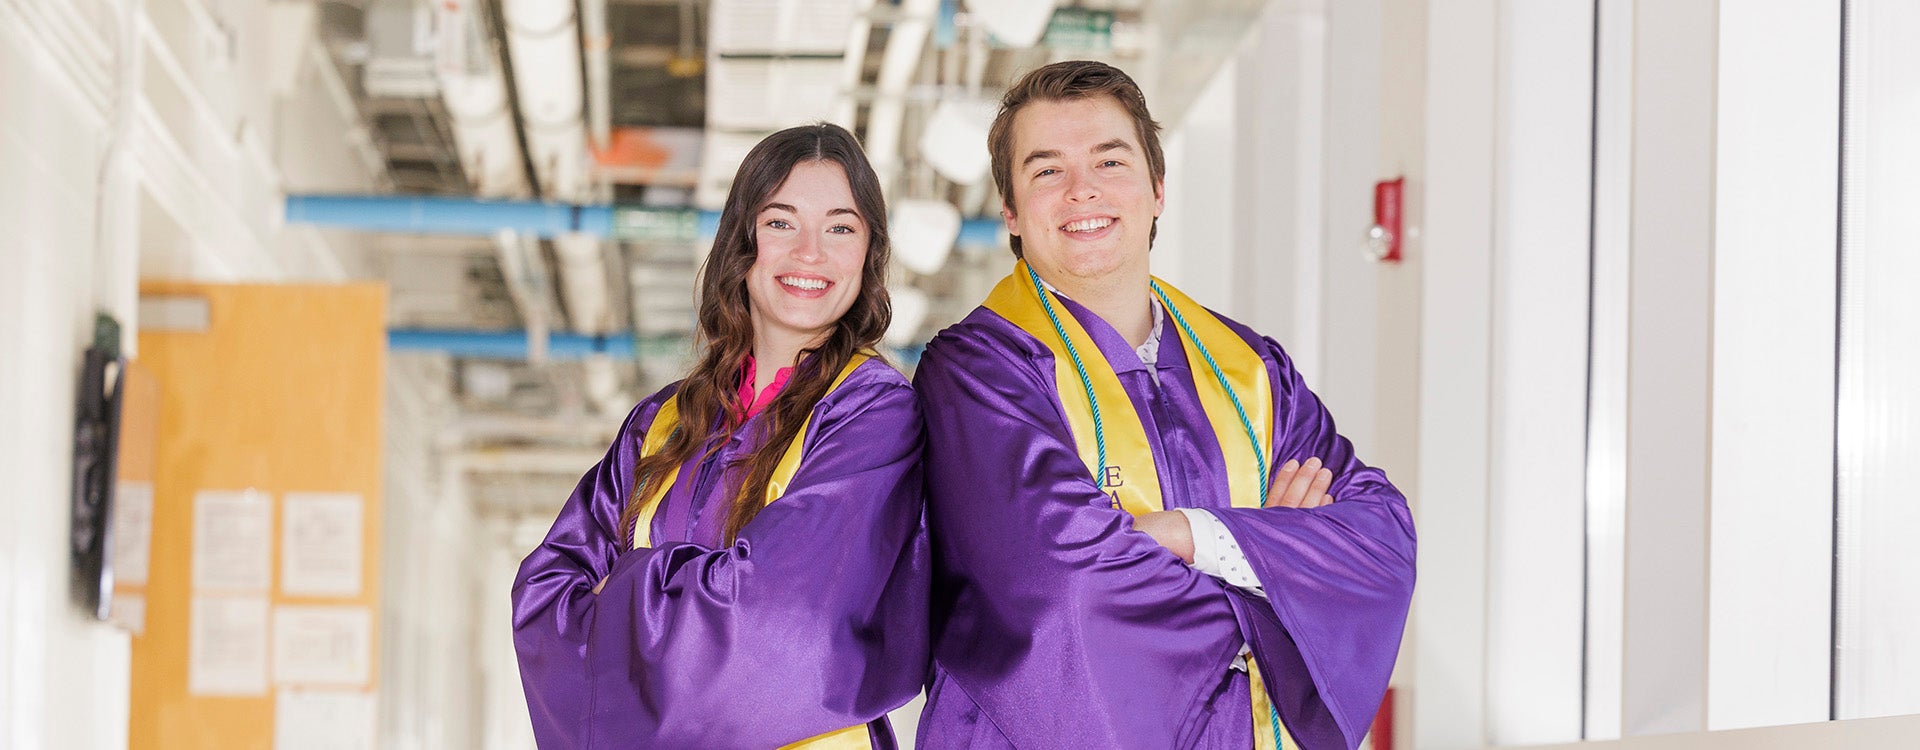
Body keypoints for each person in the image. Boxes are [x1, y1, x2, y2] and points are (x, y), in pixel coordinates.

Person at [913, 61, 1416, 749]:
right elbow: (1066, 590)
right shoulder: (977, 372)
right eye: (1046, 170)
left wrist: (1184, 535)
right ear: (1010, 212)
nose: (1082, 190)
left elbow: (1380, 539)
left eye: (1109, 161)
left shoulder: (1253, 370)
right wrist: (1277, 565)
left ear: (1156, 189)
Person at [511, 123, 928, 749]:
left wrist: (621, 593)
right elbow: (544, 600)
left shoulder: (873, 414)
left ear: (868, 252)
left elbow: (778, 627)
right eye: (781, 223)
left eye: (840, 227)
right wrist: (704, 592)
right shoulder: (663, 422)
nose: (810, 253)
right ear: (743, 240)